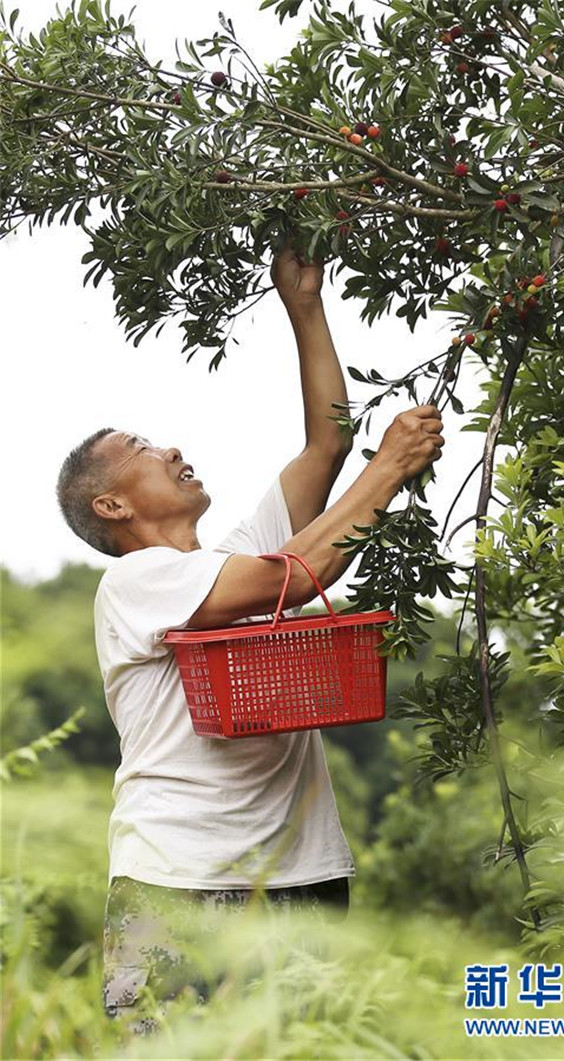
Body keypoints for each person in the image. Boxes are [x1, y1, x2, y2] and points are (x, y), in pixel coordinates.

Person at [56, 244, 445, 1030]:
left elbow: (326, 447)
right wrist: (391, 468)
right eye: (141, 448)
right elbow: (295, 576)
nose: (170, 448)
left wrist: (304, 304)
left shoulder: (229, 561)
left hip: (301, 877)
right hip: (178, 880)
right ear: (112, 507)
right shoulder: (136, 583)